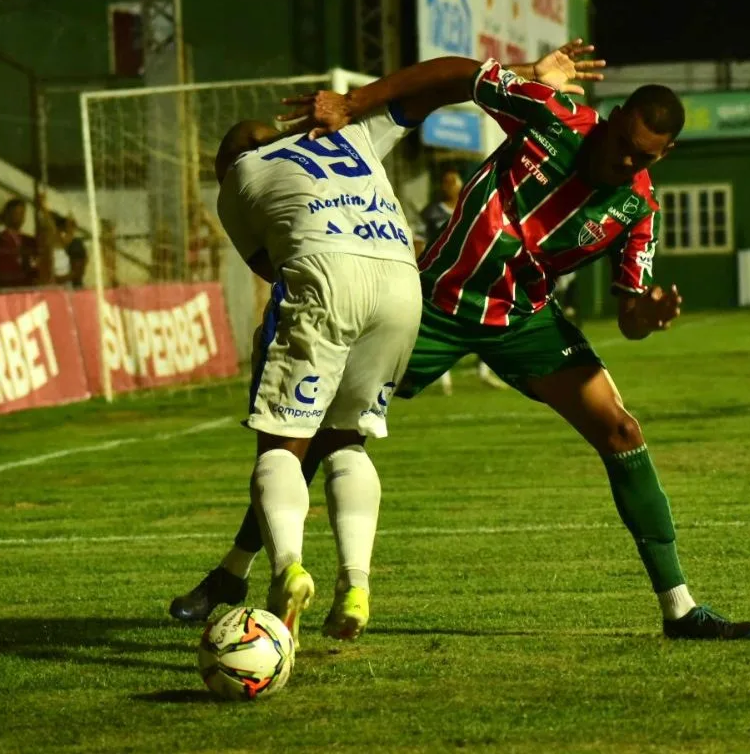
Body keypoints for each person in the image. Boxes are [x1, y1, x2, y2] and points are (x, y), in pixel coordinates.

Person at [172, 47, 750, 641]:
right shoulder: (553, 117)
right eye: (622, 144)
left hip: (522, 319)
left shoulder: (637, 208)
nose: (626, 160)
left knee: (622, 431)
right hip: (434, 303)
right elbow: (458, 74)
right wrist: (355, 103)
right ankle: (234, 572)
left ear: (666, 155)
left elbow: (630, 315)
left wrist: (648, 315)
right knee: (319, 431)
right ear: (608, 121)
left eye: (644, 157)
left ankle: (680, 608)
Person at [205, 43, 602, 644]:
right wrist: (528, 77)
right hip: (399, 282)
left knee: (282, 447)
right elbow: (441, 84)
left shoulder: (238, 177)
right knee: (347, 437)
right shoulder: (348, 133)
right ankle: (357, 583)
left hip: (328, 275)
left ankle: (286, 569)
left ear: (230, 159)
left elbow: (270, 265)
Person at [418, 165, 507, 392]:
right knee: (440, 326)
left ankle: (484, 372)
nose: (449, 186)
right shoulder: (431, 212)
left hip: (472, 276)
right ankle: (443, 380)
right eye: (445, 182)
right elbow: (419, 241)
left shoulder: (473, 205)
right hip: (441, 276)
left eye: (453, 181)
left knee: (485, 321)